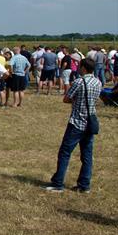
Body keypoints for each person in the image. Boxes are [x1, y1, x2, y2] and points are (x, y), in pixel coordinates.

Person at [45, 57, 102, 194]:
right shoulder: (98, 82)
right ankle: (84, 185)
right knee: (87, 155)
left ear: (83, 68)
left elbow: (66, 99)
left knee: (65, 153)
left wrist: (76, 100)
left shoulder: (79, 81)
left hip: (77, 122)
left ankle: (58, 183)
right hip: (90, 122)